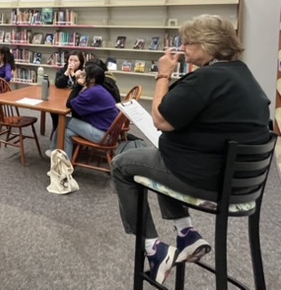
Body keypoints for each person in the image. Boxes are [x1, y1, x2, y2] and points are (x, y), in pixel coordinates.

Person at [111, 14, 271, 285]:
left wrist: (163, 74)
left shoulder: (206, 79)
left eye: (188, 43)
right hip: (240, 185)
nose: (182, 48)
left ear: (207, 45)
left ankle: (154, 249)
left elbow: (161, 119)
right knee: (163, 157)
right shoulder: (243, 75)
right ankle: (186, 234)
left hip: (206, 181)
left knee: (122, 163)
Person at [46, 64, 119, 158]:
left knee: (62, 121)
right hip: (110, 134)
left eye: (84, 75)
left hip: (103, 135)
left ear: (92, 79)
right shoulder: (98, 89)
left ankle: (53, 151)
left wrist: (78, 85)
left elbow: (69, 104)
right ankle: (66, 162)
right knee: (67, 132)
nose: (81, 76)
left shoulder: (92, 92)